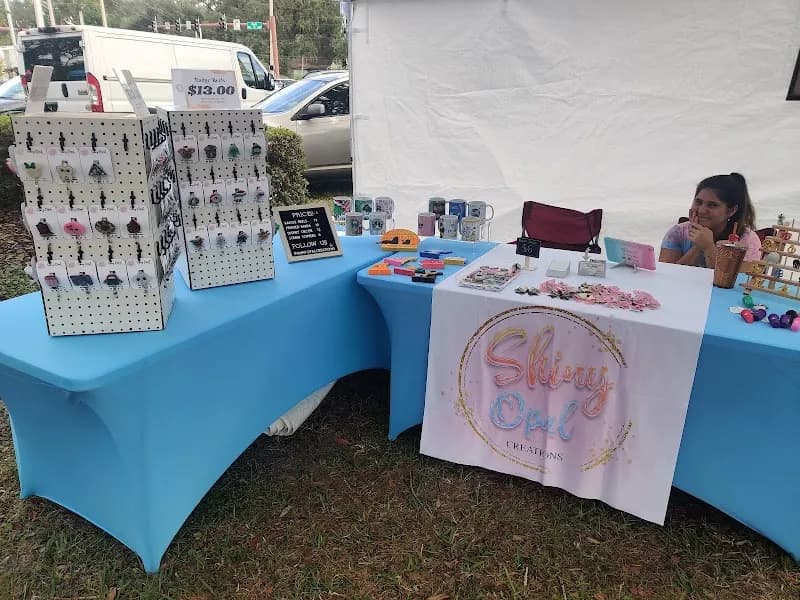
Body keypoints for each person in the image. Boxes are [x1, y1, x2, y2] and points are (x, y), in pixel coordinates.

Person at [659, 173, 761, 268]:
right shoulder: (677, 232)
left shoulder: (747, 240)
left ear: (731, 211)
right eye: (698, 202)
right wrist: (697, 247)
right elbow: (667, 274)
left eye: (712, 205)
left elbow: (738, 281)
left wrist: (709, 248)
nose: (702, 210)